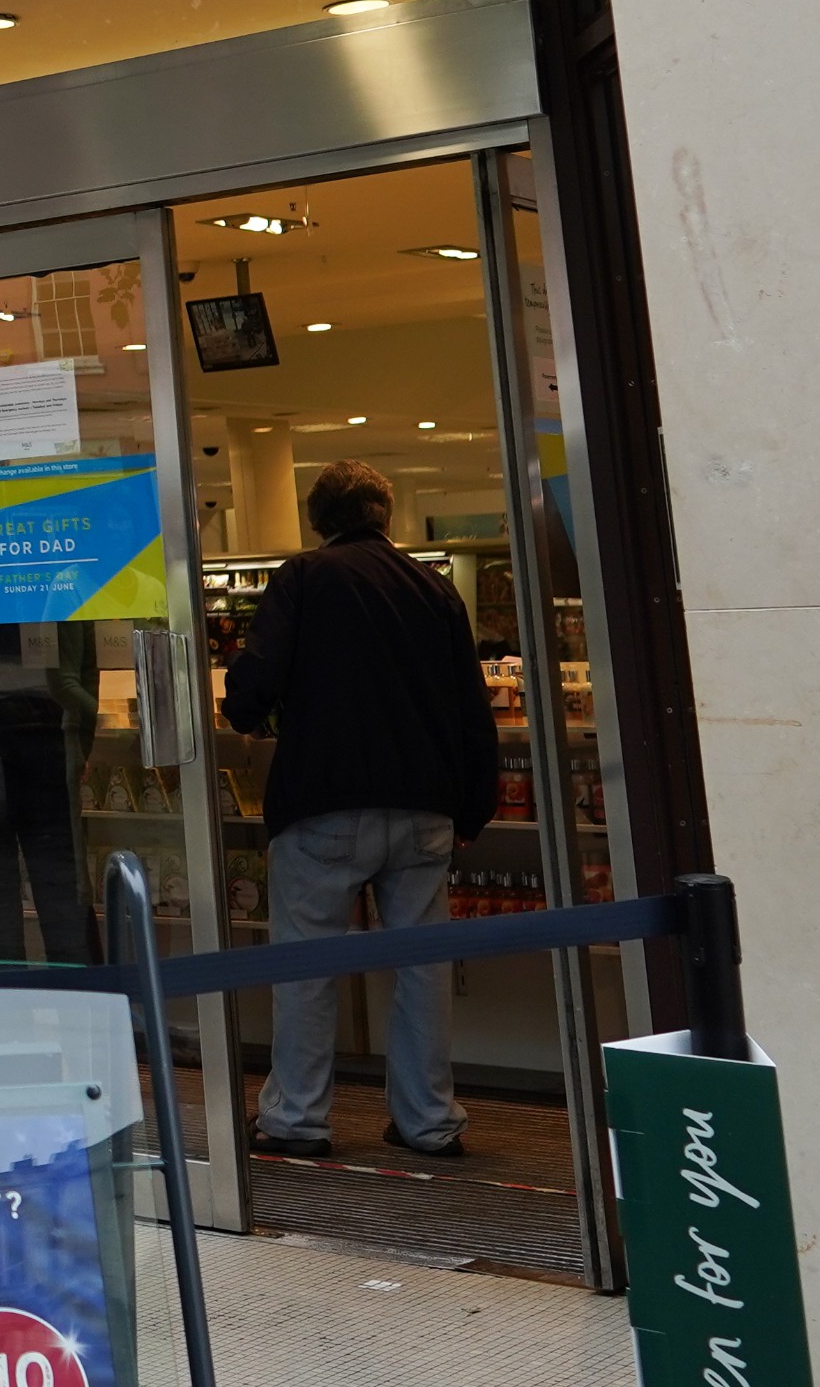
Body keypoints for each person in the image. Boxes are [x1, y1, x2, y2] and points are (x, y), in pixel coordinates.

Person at [223, 458, 501, 1161]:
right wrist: (471, 809)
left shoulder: (306, 580)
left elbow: (256, 681)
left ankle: (297, 1119)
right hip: (425, 810)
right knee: (421, 971)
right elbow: (473, 711)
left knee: (307, 968)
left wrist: (246, 712)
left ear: (320, 520)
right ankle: (428, 1120)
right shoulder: (435, 590)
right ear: (384, 515)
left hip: (325, 802)